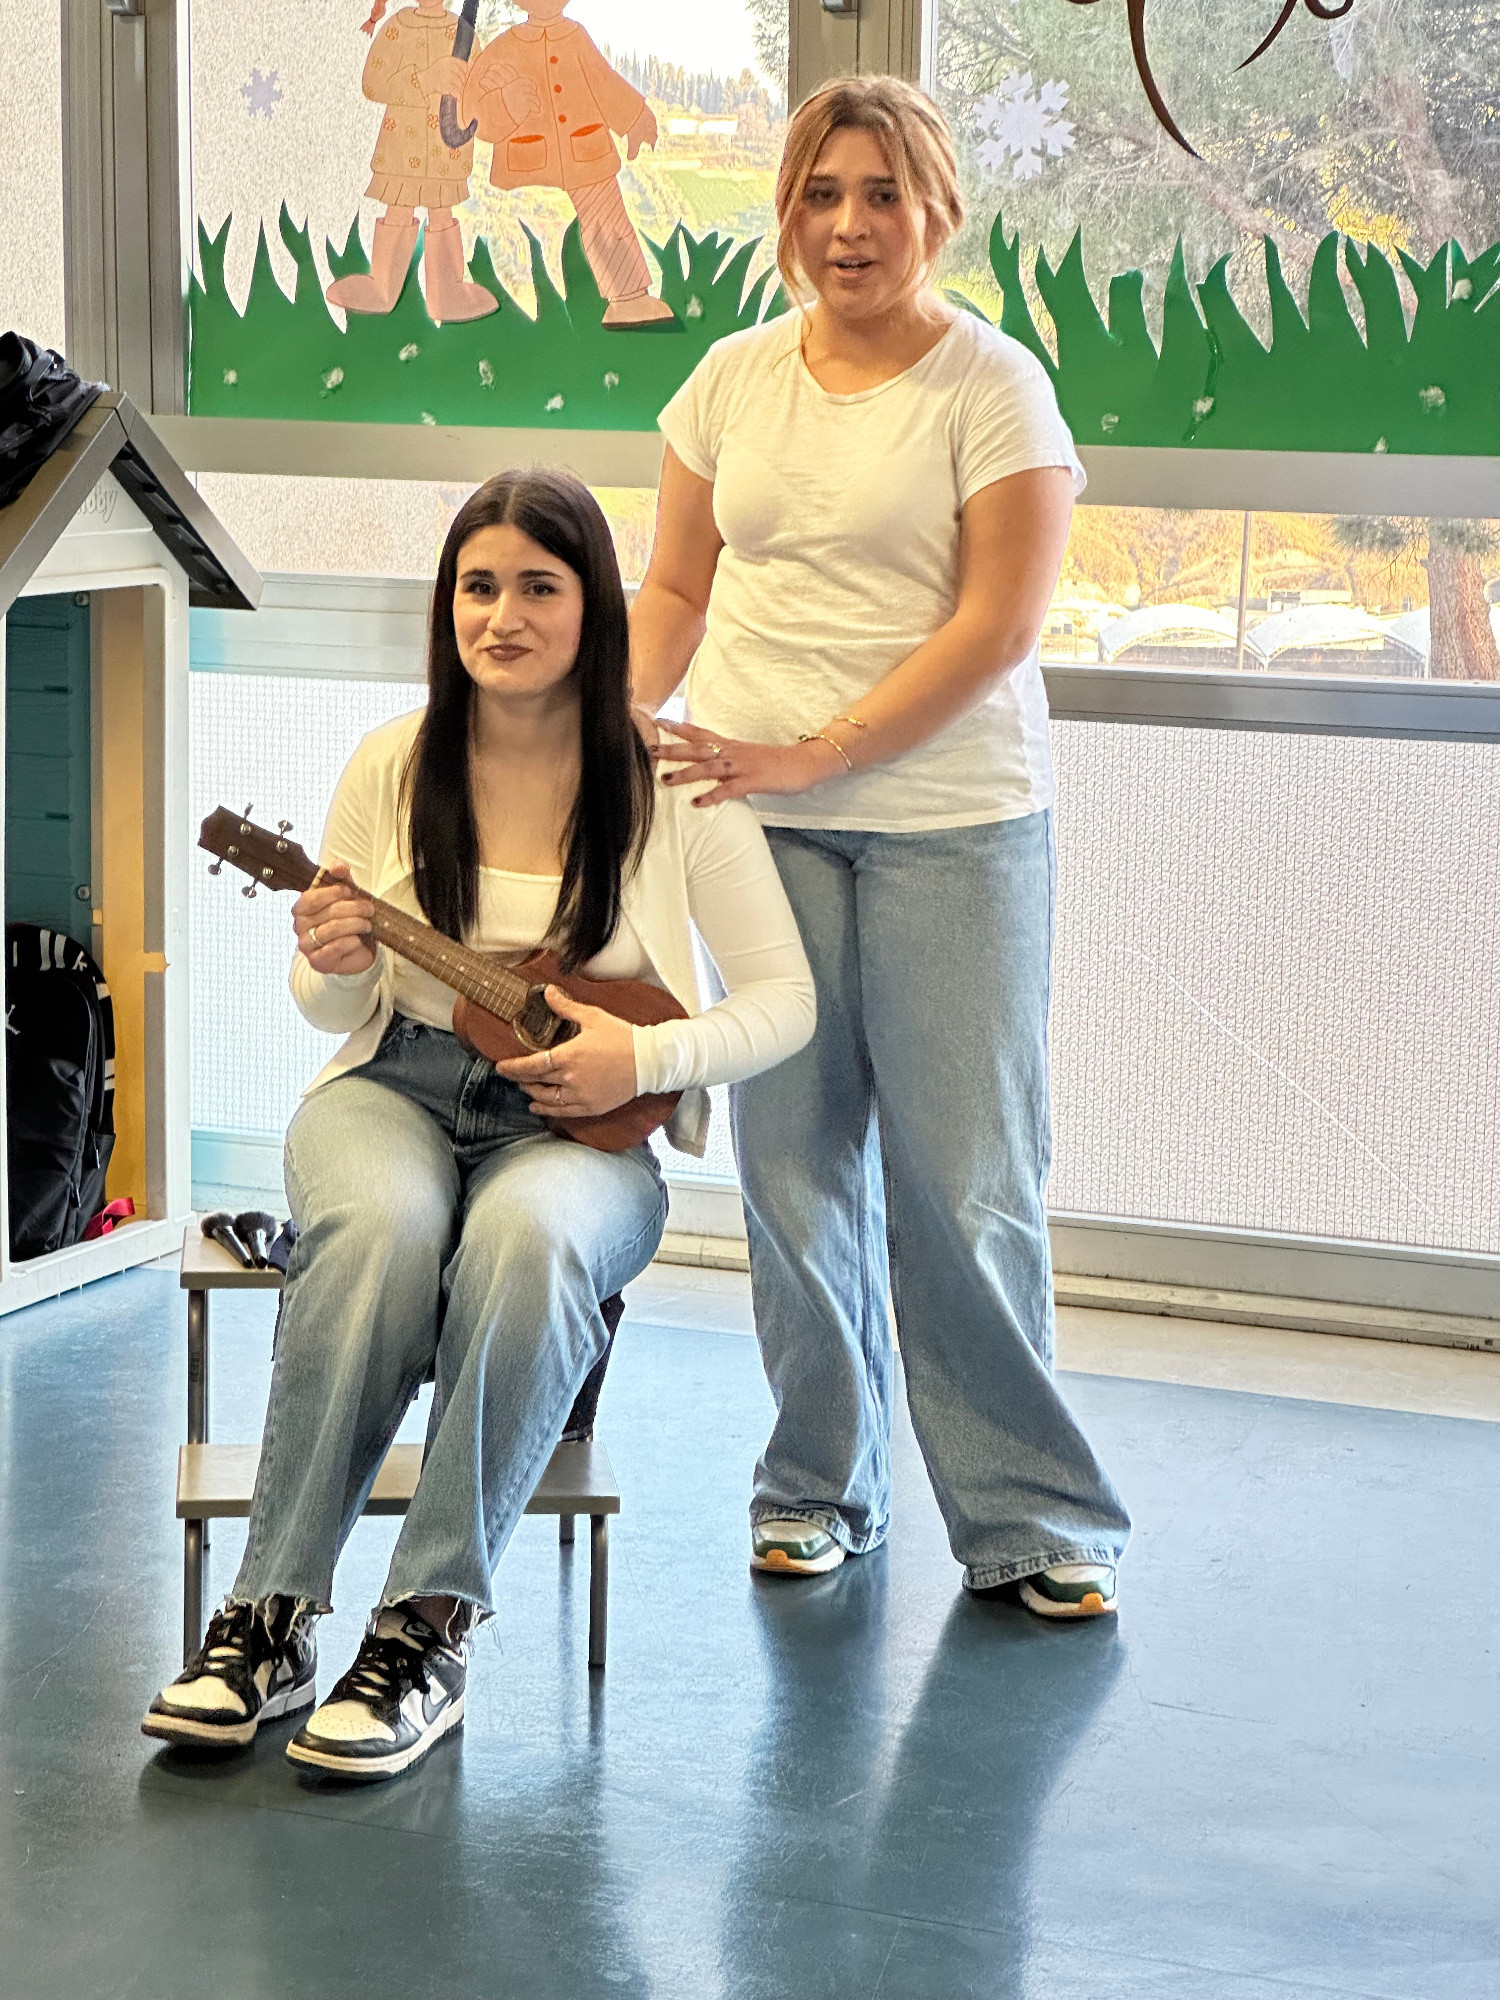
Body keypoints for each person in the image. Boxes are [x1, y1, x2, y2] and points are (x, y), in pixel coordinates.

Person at [143, 468, 815, 1780]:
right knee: (382, 1228)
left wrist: (645, 1053)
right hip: (393, 1084)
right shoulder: (394, 763)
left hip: (581, 1129)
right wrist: (333, 955)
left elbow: (785, 1002)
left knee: (527, 1241)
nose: (503, 617)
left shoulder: (668, 787)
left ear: (596, 607)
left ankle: (424, 1630)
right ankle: (268, 1619)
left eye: (539, 587)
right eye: (478, 586)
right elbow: (328, 1003)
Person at [630, 76, 1131, 1618]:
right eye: (821, 194)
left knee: (966, 1180)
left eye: (882, 195)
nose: (849, 226)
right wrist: (588, 730)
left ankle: (1033, 1516)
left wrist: (819, 751)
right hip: (753, 829)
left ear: (937, 213)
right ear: (788, 213)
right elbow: (675, 591)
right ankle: (816, 1486)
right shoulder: (729, 379)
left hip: (950, 827)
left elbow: (997, 627)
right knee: (790, 1170)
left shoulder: (994, 386)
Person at [458, 0, 676, 327]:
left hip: (584, 151)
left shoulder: (575, 36)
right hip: (528, 157)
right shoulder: (504, 47)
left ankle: (628, 298)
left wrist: (635, 117)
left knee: (605, 212)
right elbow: (469, 111)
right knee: (515, 226)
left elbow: (604, 81)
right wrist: (506, 101)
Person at [326, 0, 497, 323]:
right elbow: (373, 83)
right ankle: (382, 287)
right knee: (399, 210)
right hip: (402, 148)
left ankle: (447, 294)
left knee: (441, 213)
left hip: (446, 150)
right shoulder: (398, 27)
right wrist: (426, 80)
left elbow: (479, 89)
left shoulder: (463, 32)